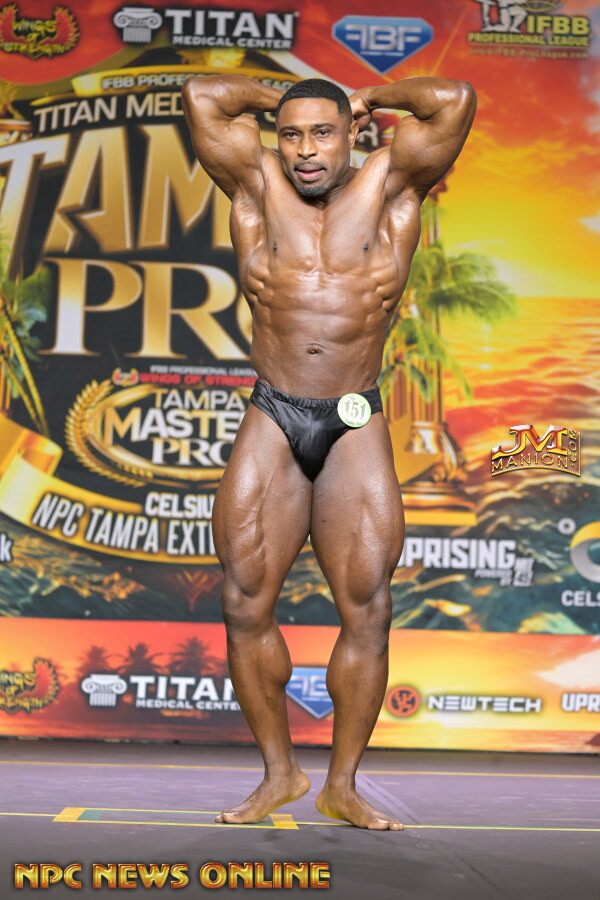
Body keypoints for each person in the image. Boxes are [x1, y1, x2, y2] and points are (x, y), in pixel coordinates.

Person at [182, 73, 476, 830]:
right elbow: (203, 95)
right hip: (274, 412)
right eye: (291, 134)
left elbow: (452, 100)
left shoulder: (393, 183)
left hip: (354, 417)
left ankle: (342, 785)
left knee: (368, 606)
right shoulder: (254, 184)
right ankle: (279, 773)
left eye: (322, 132)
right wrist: (282, 96)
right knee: (244, 599)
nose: (305, 149)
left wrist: (372, 94)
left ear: (352, 133)